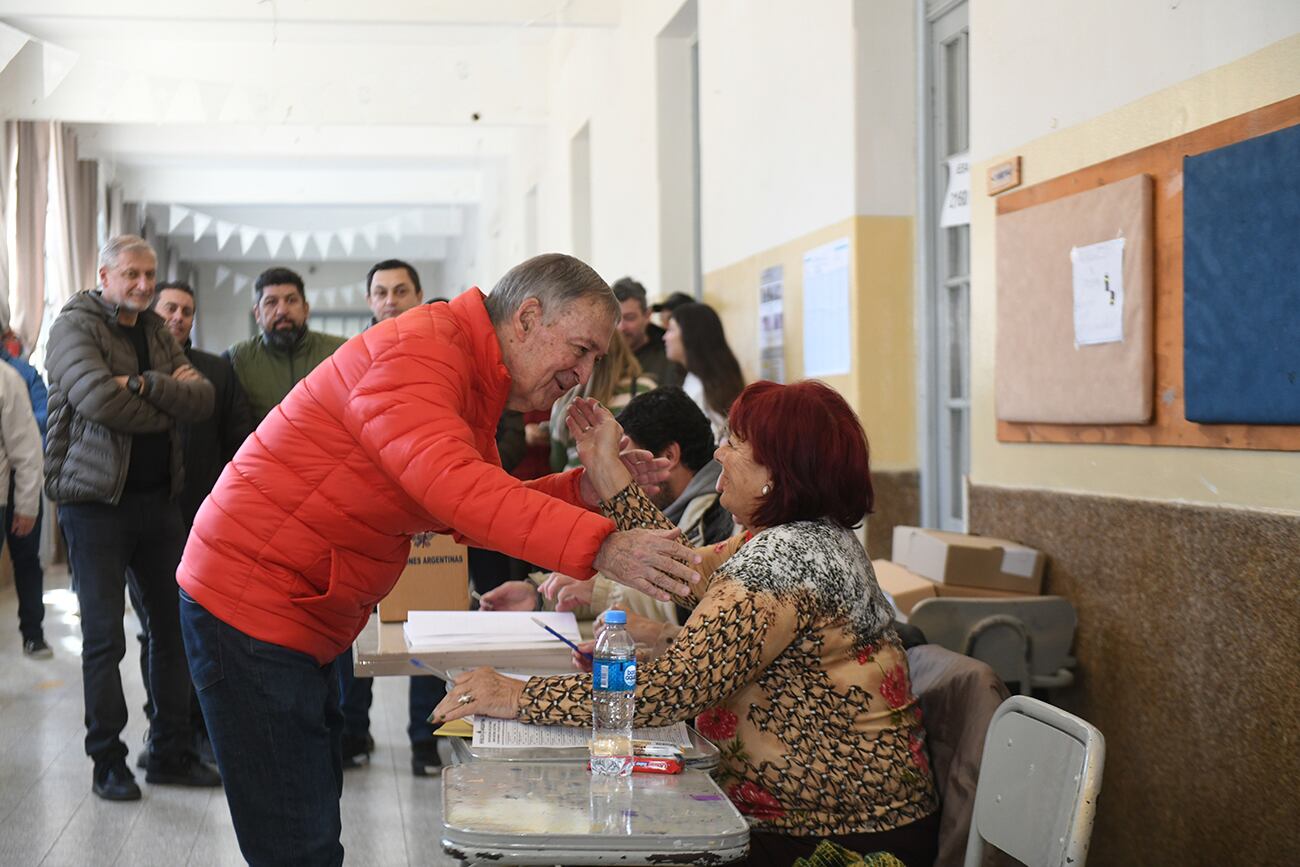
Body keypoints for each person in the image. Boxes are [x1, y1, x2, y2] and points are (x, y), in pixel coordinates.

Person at [176, 253, 701, 865]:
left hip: (295, 606)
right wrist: (604, 547)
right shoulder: (420, 355)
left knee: (309, 817)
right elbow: (462, 492)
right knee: (297, 842)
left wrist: (586, 490)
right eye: (581, 350)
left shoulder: (464, 364)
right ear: (528, 317)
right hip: (251, 604)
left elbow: (465, 501)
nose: (583, 376)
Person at [437, 381, 940, 867]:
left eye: (736, 443)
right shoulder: (798, 538)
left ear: (779, 471)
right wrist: (608, 472)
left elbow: (671, 690)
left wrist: (516, 696)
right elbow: (680, 567)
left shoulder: (785, 562)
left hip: (833, 839)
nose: (719, 453)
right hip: (821, 818)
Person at [44, 235, 221, 802]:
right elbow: (97, 399)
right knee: (102, 639)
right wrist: (167, 401)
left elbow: (203, 401)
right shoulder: (74, 326)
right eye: (132, 275)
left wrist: (144, 384)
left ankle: (168, 750)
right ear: (105, 274)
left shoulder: (152, 330)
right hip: (93, 504)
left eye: (150, 275)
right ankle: (107, 761)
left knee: (174, 631)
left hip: (157, 503)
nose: (145, 285)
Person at [484, 385, 733, 627]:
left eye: (629, 458)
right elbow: (626, 576)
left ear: (668, 456)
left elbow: (688, 598)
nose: (623, 470)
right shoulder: (673, 508)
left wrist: (598, 591)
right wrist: (538, 594)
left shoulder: (717, 516)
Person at [130, 281, 252, 764]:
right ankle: (164, 726)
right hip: (144, 519)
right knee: (156, 632)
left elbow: (238, 444)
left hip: (205, 526)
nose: (179, 317)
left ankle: (201, 728)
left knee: (202, 630)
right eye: (170, 309)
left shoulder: (218, 372)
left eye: (187, 311)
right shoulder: (131, 369)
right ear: (152, 314)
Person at [338, 258, 448, 777]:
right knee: (355, 628)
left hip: (431, 514)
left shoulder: (442, 355)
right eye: (380, 292)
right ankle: (352, 733)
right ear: (369, 301)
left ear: (419, 294)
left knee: (427, 631)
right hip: (365, 515)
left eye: (400, 290)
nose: (390, 300)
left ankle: (425, 741)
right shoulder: (350, 357)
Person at [225, 266, 347, 425]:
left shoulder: (339, 352)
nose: (282, 310)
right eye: (271, 302)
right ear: (257, 314)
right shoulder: (237, 359)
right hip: (264, 449)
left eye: (291, 300)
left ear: (305, 309)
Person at [1, 326, 50, 658]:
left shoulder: (20, 373)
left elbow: (41, 420)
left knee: (26, 560)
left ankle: (33, 633)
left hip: (23, 480)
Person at [549, 330, 654, 471]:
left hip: (574, 483)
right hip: (624, 483)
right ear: (621, 350)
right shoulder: (644, 389)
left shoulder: (564, 401)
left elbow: (557, 462)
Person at [665, 301, 746, 441]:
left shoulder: (701, 390)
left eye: (671, 330)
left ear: (690, 335)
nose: (665, 337)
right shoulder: (698, 382)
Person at [612, 277, 683, 387]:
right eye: (615, 319)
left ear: (647, 315)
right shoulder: (599, 357)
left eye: (630, 318)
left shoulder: (669, 358)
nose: (621, 327)